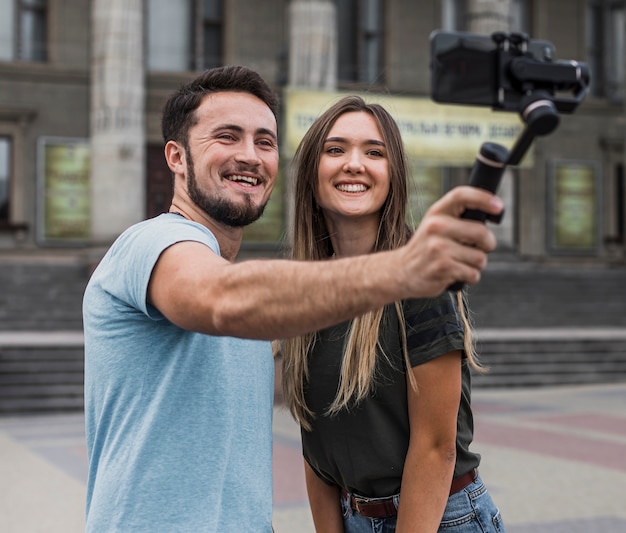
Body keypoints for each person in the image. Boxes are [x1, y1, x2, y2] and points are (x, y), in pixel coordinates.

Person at [82, 67, 503, 533]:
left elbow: (432, 445)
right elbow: (221, 300)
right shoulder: (150, 244)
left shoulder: (285, 299)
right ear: (177, 157)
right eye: (227, 136)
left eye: (264, 142)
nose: (249, 156)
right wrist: (406, 269)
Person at [281, 95, 505, 533]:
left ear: (393, 176)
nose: (353, 163)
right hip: (353, 516)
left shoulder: (421, 281)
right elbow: (316, 446)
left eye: (374, 152)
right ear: (311, 172)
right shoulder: (301, 289)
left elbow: (436, 448)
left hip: (439, 517)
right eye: (335, 149)